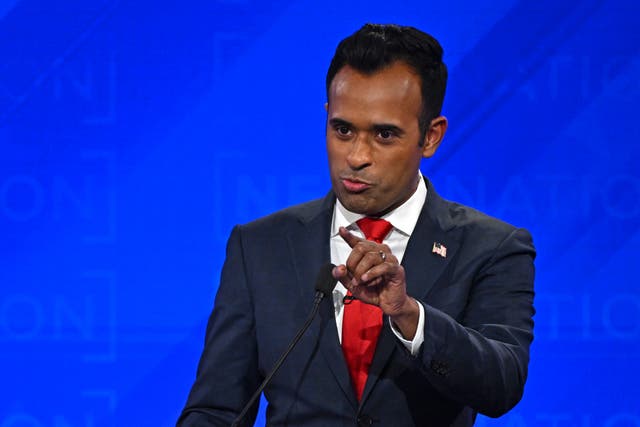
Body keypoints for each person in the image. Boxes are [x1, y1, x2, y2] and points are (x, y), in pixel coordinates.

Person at [177, 23, 535, 427]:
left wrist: (408, 314)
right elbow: (217, 408)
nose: (357, 156)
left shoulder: (491, 246)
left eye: (384, 134)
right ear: (327, 118)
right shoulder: (260, 246)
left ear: (431, 137)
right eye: (343, 129)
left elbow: (502, 384)